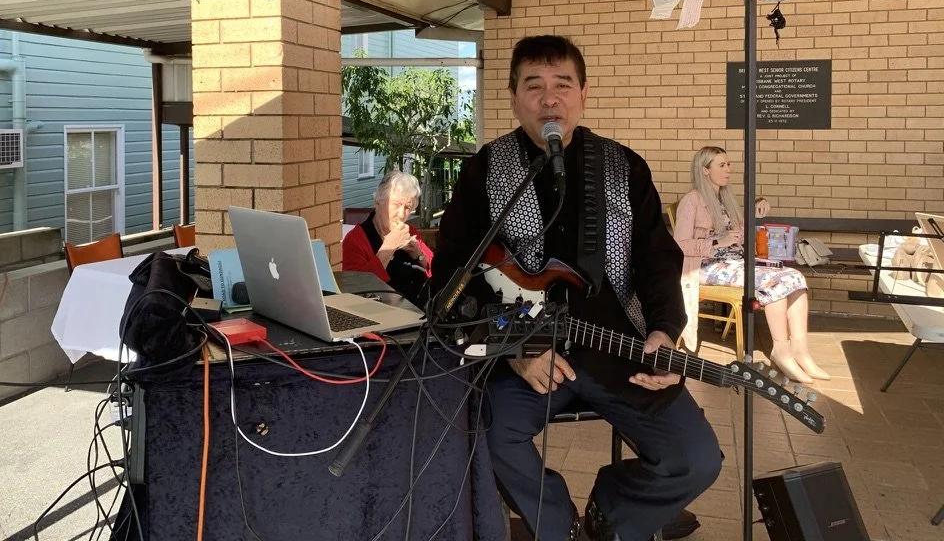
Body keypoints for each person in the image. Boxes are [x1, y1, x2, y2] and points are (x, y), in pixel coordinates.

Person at [429, 36, 720, 541]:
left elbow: (658, 260)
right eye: (534, 86)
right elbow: (455, 276)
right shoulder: (483, 169)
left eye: (562, 85)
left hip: (618, 350)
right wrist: (513, 347)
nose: (549, 98)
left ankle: (612, 515)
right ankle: (557, 526)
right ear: (513, 97)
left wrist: (666, 333)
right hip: (525, 355)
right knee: (489, 435)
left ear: (583, 94)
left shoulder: (624, 166)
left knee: (695, 459)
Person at [674, 146, 830, 384]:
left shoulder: (724, 199)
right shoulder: (691, 201)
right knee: (774, 282)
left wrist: (754, 212)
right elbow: (680, 245)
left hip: (734, 261)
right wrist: (717, 241)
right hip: (707, 265)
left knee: (795, 277)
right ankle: (781, 350)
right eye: (722, 165)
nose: (729, 169)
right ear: (705, 170)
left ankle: (801, 352)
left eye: (729, 164)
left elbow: (739, 235)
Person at [342, 170, 434, 307]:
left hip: (420, 310)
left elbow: (438, 270)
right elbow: (356, 290)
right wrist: (388, 248)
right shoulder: (356, 239)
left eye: (408, 207)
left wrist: (419, 255)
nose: (402, 214)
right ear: (378, 200)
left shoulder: (410, 232)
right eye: (396, 204)